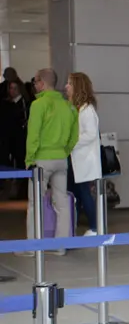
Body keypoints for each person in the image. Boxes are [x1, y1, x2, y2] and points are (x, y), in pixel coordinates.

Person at [21, 68, 78, 257]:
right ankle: (60, 245)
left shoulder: (39, 105)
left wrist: (29, 159)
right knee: (61, 203)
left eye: (35, 81)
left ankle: (32, 247)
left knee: (35, 203)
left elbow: (33, 135)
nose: (34, 85)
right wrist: (64, 151)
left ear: (42, 83)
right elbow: (74, 135)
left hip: (41, 160)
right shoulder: (68, 106)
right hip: (61, 159)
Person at [66, 73, 101, 236]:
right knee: (76, 194)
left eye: (70, 84)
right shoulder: (75, 108)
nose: (66, 87)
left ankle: (95, 227)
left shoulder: (87, 109)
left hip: (84, 159)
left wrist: (71, 142)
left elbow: (91, 134)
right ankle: (72, 226)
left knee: (84, 193)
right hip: (75, 159)